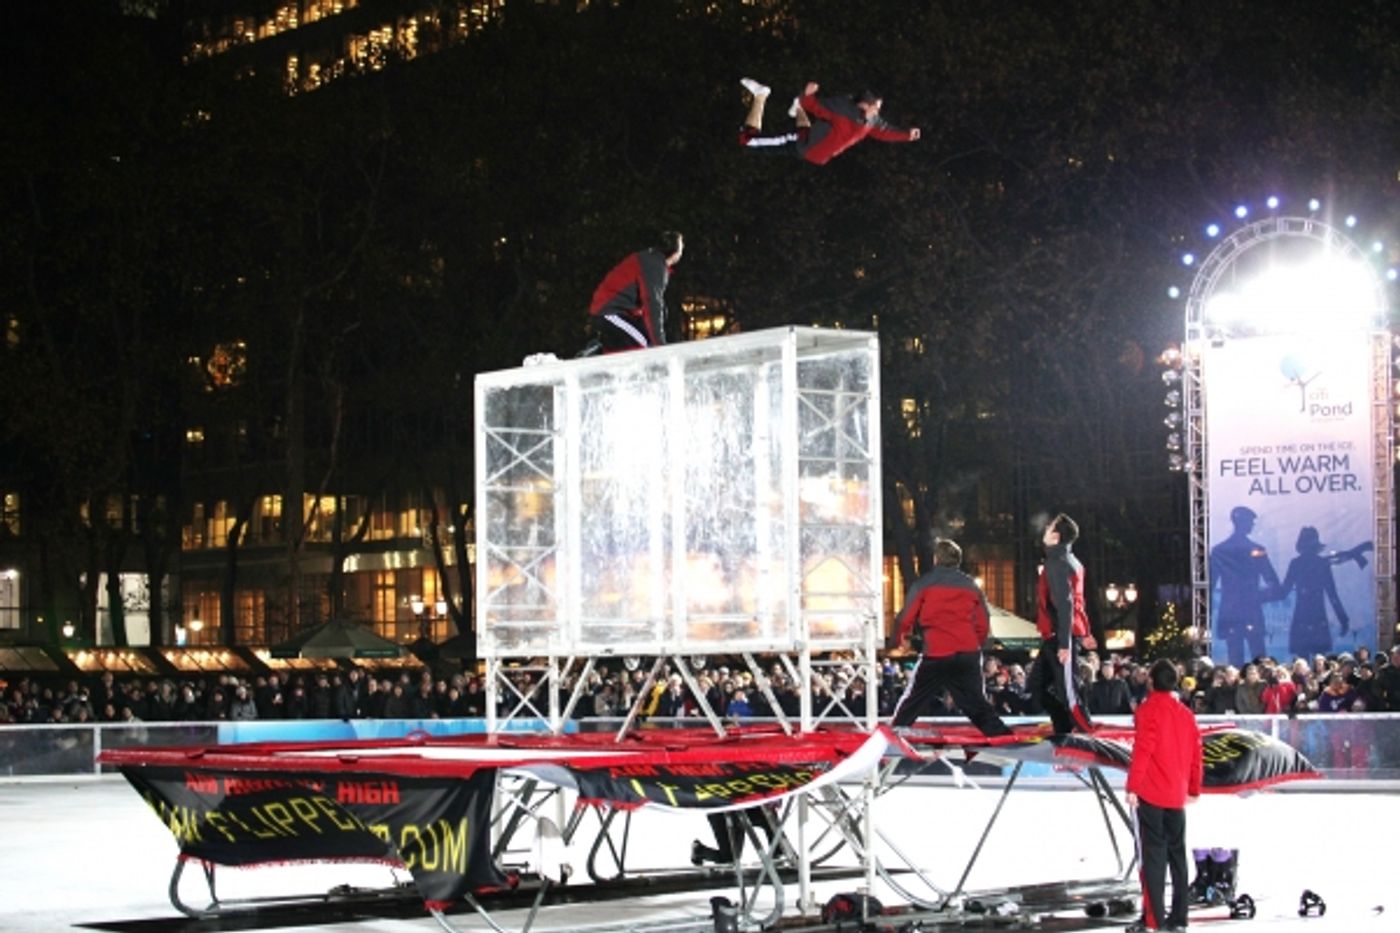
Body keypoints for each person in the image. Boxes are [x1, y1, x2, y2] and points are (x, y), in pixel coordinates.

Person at [889, 538, 1012, 737]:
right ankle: (1002, 737)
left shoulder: (924, 584)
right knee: (976, 701)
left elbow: (905, 617)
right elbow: (983, 621)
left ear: (936, 559)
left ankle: (894, 734)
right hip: (967, 651)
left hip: (937, 652)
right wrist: (977, 644)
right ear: (958, 561)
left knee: (914, 698)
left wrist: (897, 640)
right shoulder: (971, 586)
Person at [1126, 659, 1203, 933]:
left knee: (1153, 857)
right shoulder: (1186, 714)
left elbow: (1143, 750)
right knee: (1177, 855)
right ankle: (1179, 918)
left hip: (1151, 793)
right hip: (1176, 794)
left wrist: (1133, 786)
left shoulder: (1147, 711)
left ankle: (1154, 919)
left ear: (1150, 681)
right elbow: (1196, 753)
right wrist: (1193, 788)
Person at [736, 78, 919, 165]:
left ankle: (797, 106)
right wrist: (807, 96)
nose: (876, 112)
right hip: (802, 144)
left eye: (878, 109)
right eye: (874, 107)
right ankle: (761, 96)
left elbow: (886, 132)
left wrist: (906, 135)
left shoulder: (872, 122)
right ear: (863, 104)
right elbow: (816, 107)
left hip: (814, 147)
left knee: (806, 130)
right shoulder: (842, 109)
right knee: (747, 141)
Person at [1032, 513, 1097, 733]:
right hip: (1057, 633)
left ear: (1056, 536)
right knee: (1038, 686)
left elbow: (1066, 604)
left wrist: (1064, 644)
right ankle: (1064, 727)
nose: (1045, 529)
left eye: (1050, 527)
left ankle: (1086, 733)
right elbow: (1074, 602)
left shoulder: (1058, 562)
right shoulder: (1064, 559)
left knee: (1068, 692)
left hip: (1061, 634)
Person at [583, 231, 684, 354]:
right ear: (675, 251)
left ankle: (604, 348)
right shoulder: (655, 265)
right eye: (681, 245)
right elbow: (652, 304)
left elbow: (653, 305)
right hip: (609, 312)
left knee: (642, 340)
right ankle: (597, 351)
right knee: (642, 348)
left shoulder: (652, 260)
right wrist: (659, 345)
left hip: (616, 312)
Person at [1209, 505, 1281, 668]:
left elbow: (1211, 584)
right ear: (1243, 522)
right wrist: (1259, 596)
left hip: (1230, 611)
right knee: (1259, 657)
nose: (1252, 525)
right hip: (1251, 610)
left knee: (1235, 658)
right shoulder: (1256, 549)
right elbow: (1273, 583)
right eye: (1250, 522)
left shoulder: (1220, 550)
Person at [1278, 526, 1350, 659]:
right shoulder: (1321, 564)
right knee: (1319, 658)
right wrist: (1343, 619)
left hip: (1302, 614)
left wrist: (1260, 596)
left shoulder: (1296, 564)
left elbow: (1283, 592)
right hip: (1317, 615)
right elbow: (1332, 594)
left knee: (1303, 658)